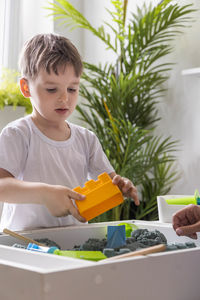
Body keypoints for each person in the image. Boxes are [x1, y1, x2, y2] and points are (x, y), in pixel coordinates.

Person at [0, 33, 139, 231]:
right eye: (51, 89)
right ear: (26, 87)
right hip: (23, 244)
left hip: (70, 242)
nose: (64, 98)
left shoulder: (86, 139)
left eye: (72, 89)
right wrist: (45, 193)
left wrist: (121, 185)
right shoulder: (18, 134)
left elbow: (109, 183)